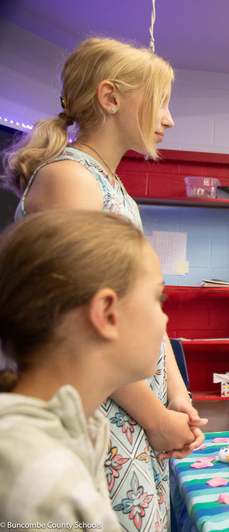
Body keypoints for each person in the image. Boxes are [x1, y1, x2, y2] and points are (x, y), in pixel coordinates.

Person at [1, 37, 206, 530]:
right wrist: (155, 417)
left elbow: (141, 311)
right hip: (114, 412)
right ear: (111, 98)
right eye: (161, 102)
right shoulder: (71, 179)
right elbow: (83, 324)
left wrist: (176, 395)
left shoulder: (111, 185)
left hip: (138, 410)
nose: (169, 119)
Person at [0, 210, 169, 527]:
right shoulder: (37, 476)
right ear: (106, 313)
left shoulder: (78, 428)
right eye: (159, 297)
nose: (165, 318)